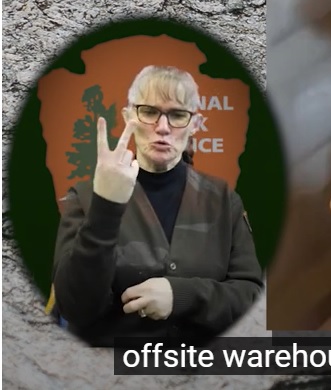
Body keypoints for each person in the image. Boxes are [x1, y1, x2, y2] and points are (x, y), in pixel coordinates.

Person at [50, 65, 263, 345]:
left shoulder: (224, 200)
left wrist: (182, 296)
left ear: (195, 125)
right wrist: (106, 204)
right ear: (128, 117)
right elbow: (76, 308)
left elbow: (250, 298)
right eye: (149, 112)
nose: (162, 128)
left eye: (177, 115)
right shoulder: (87, 197)